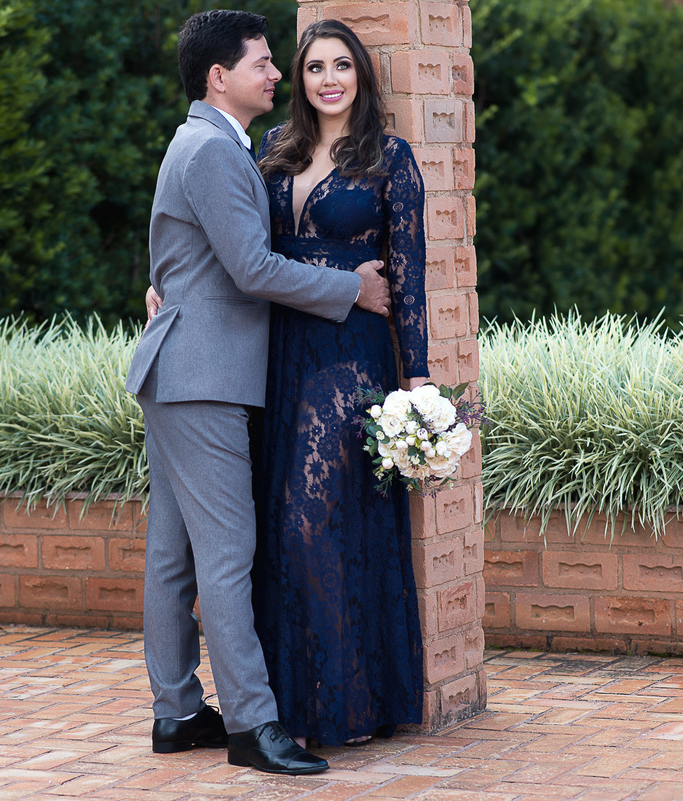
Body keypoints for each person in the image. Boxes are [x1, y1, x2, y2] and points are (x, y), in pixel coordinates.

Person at [125, 10, 392, 776]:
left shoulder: (208, 144)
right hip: (201, 379)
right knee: (228, 551)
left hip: (184, 371)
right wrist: (351, 288)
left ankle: (176, 712)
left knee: (174, 555)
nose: (279, 74)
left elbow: (189, 264)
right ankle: (253, 724)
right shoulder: (211, 150)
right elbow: (251, 268)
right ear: (220, 76)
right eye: (264, 63)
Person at [250, 19, 428, 748]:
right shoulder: (273, 151)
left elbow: (411, 280)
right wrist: (167, 286)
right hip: (278, 351)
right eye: (315, 67)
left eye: (342, 66)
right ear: (300, 79)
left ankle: (347, 701)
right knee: (276, 527)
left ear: (362, 75)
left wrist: (419, 385)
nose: (328, 79)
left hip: (351, 359)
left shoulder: (391, 159)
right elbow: (241, 250)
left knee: (313, 517)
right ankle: (288, 705)